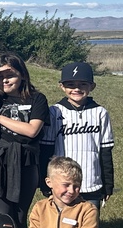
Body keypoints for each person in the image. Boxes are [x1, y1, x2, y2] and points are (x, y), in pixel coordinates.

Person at [0, 54, 49, 228]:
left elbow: (32, 130)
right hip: (2, 161)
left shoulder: (37, 99)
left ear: (23, 75)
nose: (5, 81)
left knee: (21, 213)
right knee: (3, 213)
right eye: (0, 77)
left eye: (10, 75)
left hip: (27, 160)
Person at [39, 62, 114, 210]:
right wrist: (44, 182)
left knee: (90, 225)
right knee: (62, 227)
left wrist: (108, 185)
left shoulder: (100, 113)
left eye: (82, 84)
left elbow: (106, 152)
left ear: (92, 86)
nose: (76, 89)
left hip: (92, 181)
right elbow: (46, 150)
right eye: (71, 84)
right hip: (62, 182)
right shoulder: (54, 112)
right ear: (61, 86)